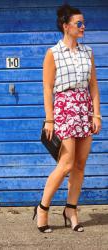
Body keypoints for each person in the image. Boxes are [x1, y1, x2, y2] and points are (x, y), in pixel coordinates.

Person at [32, 3, 102, 233]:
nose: (83, 27)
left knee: (80, 165)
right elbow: (47, 88)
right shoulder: (53, 53)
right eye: (78, 23)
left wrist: (97, 113)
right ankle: (42, 208)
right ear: (65, 26)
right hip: (64, 109)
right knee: (66, 163)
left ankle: (71, 209)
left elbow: (93, 86)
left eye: (83, 23)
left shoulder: (88, 52)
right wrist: (49, 119)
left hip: (84, 110)